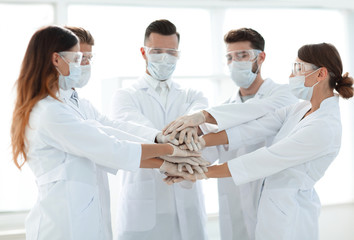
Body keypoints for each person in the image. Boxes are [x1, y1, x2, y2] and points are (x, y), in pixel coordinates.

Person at [10, 25, 199, 240]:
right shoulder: (49, 112)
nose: (82, 64)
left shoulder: (72, 103)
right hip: (61, 226)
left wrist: (159, 141)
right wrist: (170, 153)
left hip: (87, 217)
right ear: (56, 59)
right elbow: (109, 148)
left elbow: (110, 129)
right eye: (77, 57)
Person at [163, 42, 354, 240]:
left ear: (321, 74)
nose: (291, 76)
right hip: (274, 207)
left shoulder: (324, 126)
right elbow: (255, 127)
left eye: (298, 68)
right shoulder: (301, 108)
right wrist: (201, 141)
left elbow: (267, 159)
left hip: (292, 215)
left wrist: (201, 173)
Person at [110, 19, 211, 240]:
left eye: (171, 52)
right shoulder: (126, 96)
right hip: (144, 205)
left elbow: (203, 120)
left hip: (187, 203)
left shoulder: (192, 95)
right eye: (157, 51)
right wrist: (169, 141)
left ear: (178, 55)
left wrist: (186, 133)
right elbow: (133, 131)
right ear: (143, 52)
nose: (164, 58)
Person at [194, 28, 297, 240]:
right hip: (235, 208)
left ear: (261, 57)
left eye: (242, 55)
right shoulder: (224, 109)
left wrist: (203, 118)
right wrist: (178, 161)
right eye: (230, 57)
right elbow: (206, 154)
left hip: (275, 204)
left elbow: (251, 117)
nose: (235, 62)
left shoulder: (284, 95)